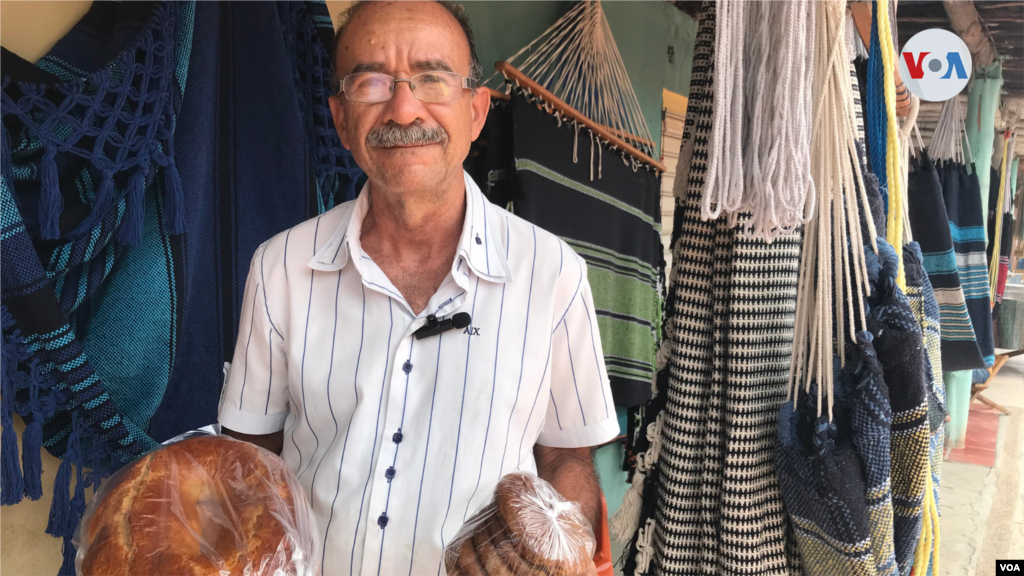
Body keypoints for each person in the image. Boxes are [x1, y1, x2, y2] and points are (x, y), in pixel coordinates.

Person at [217, 0, 618, 574]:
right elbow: (248, 458)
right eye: (371, 82)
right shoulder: (280, 266)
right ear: (340, 117)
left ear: (476, 112)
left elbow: (565, 455)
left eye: (432, 79)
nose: (403, 110)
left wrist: (554, 542)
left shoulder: (553, 273)